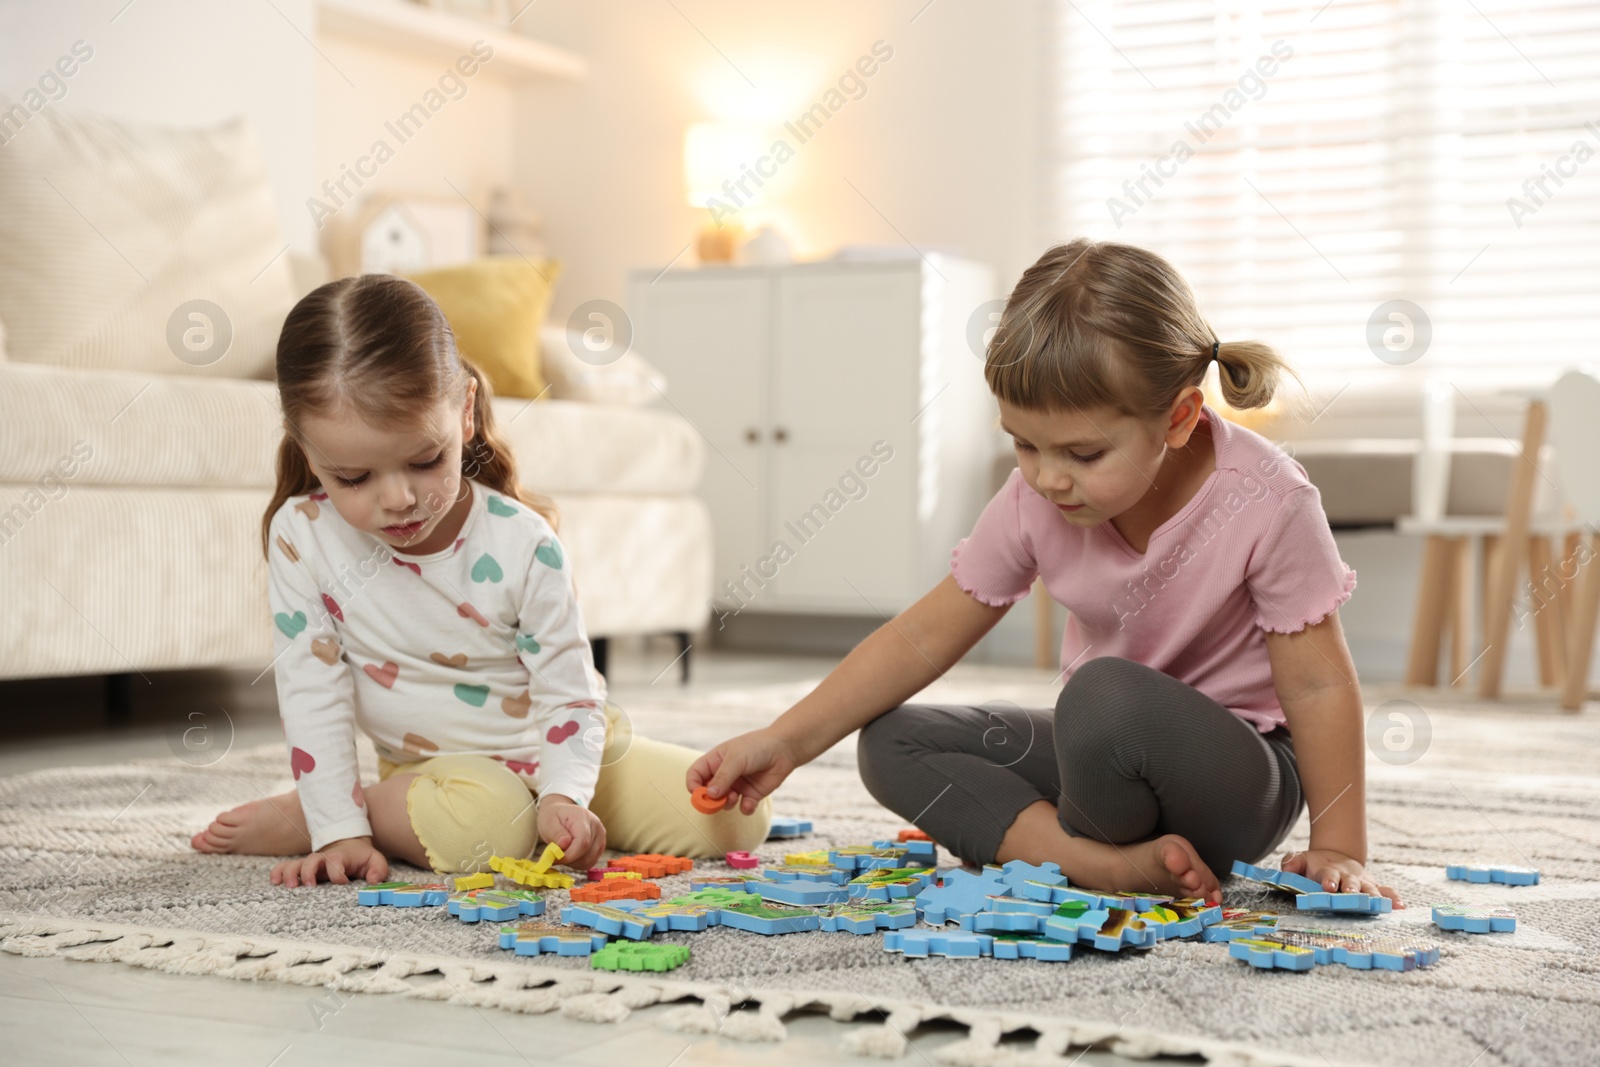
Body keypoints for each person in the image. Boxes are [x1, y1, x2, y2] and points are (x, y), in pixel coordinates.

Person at [688, 238, 1402, 909]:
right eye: (1024, 444)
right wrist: (786, 740)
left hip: (1237, 779)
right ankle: (1097, 864)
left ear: (1180, 417)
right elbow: (920, 640)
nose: (1048, 477)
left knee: (1100, 695)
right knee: (891, 739)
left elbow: (1318, 682)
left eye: (1083, 454)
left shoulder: (1268, 497)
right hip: (1101, 763)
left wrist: (1340, 844)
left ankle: (1081, 846)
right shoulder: (1035, 497)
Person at [192, 273, 769, 887]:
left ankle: (529, 807)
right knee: (489, 832)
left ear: (464, 413)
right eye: (354, 478)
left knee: (735, 821)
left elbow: (567, 688)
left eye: (424, 461)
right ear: (309, 454)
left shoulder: (523, 543)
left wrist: (565, 795)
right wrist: (339, 829)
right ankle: (323, 811)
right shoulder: (301, 534)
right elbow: (312, 691)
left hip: (561, 747)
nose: (398, 499)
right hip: (444, 775)